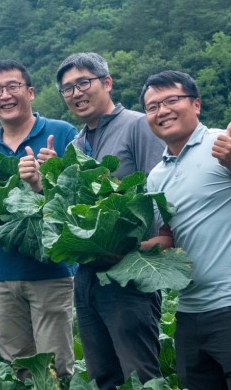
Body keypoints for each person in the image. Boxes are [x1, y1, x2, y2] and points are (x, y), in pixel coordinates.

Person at [141, 70, 231, 390]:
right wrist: (130, 251)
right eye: (152, 107)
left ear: (196, 105)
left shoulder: (224, 142)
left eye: (171, 101)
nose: (162, 111)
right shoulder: (156, 176)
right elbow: (169, 236)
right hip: (189, 312)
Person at [56, 53, 168, 389]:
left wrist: (157, 243)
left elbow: (159, 189)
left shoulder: (137, 125)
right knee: (103, 375)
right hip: (88, 276)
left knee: (138, 375)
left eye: (83, 83)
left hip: (128, 273)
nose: (76, 93)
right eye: (67, 89)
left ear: (107, 82)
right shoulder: (77, 143)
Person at [0, 59, 78, 378]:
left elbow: (81, 199)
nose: (5, 95)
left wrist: (50, 177)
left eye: (13, 87)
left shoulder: (61, 134)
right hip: (1, 272)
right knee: (17, 367)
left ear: (31, 92)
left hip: (50, 270)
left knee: (56, 367)